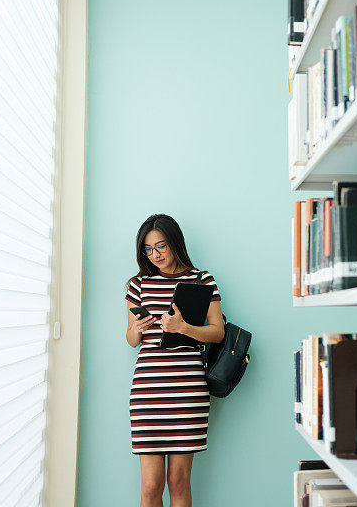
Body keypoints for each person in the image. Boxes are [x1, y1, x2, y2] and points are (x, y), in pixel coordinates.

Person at [124, 214, 225, 507]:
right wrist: (135, 329)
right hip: (148, 391)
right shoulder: (138, 284)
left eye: (161, 246)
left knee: (179, 482)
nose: (155, 255)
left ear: (176, 243)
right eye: (148, 249)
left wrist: (183, 328)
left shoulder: (201, 280)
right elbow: (130, 340)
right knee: (150, 485)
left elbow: (217, 333)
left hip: (186, 390)